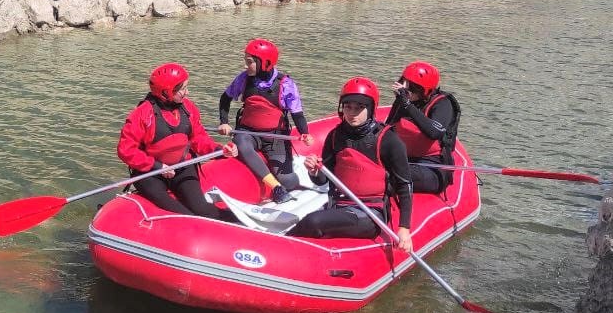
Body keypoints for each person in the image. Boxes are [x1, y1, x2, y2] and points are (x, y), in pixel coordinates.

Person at [289, 77, 414, 253]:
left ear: (370, 108)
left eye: (359, 108)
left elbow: (404, 186)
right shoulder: (335, 136)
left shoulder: (388, 140)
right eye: (348, 107)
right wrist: (314, 172)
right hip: (339, 205)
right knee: (311, 222)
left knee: (313, 221)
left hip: (370, 214)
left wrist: (404, 229)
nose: (352, 113)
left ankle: (281, 248)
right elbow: (323, 180)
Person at [118, 63, 238, 220]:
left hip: (182, 167)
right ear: (167, 92)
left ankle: (241, 224)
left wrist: (220, 150)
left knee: (202, 209)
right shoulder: (142, 114)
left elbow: (198, 138)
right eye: (183, 89)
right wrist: (157, 166)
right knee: (182, 215)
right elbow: (126, 150)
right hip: (151, 173)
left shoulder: (188, 108)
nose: (187, 92)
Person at [216, 38, 315, 204]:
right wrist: (224, 122)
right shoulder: (243, 79)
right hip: (248, 133)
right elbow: (225, 99)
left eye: (249, 62)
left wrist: (305, 133)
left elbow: (297, 113)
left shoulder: (286, 84)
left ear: (265, 63)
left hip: (275, 137)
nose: (245, 66)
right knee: (240, 140)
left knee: (288, 181)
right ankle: (276, 188)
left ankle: (286, 183)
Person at [385, 61, 461, 194]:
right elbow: (388, 129)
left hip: (432, 168)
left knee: (393, 175)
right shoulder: (403, 101)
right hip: (405, 160)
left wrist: (407, 105)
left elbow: (434, 132)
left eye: (411, 87)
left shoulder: (443, 104)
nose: (404, 89)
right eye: (403, 82)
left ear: (424, 90)